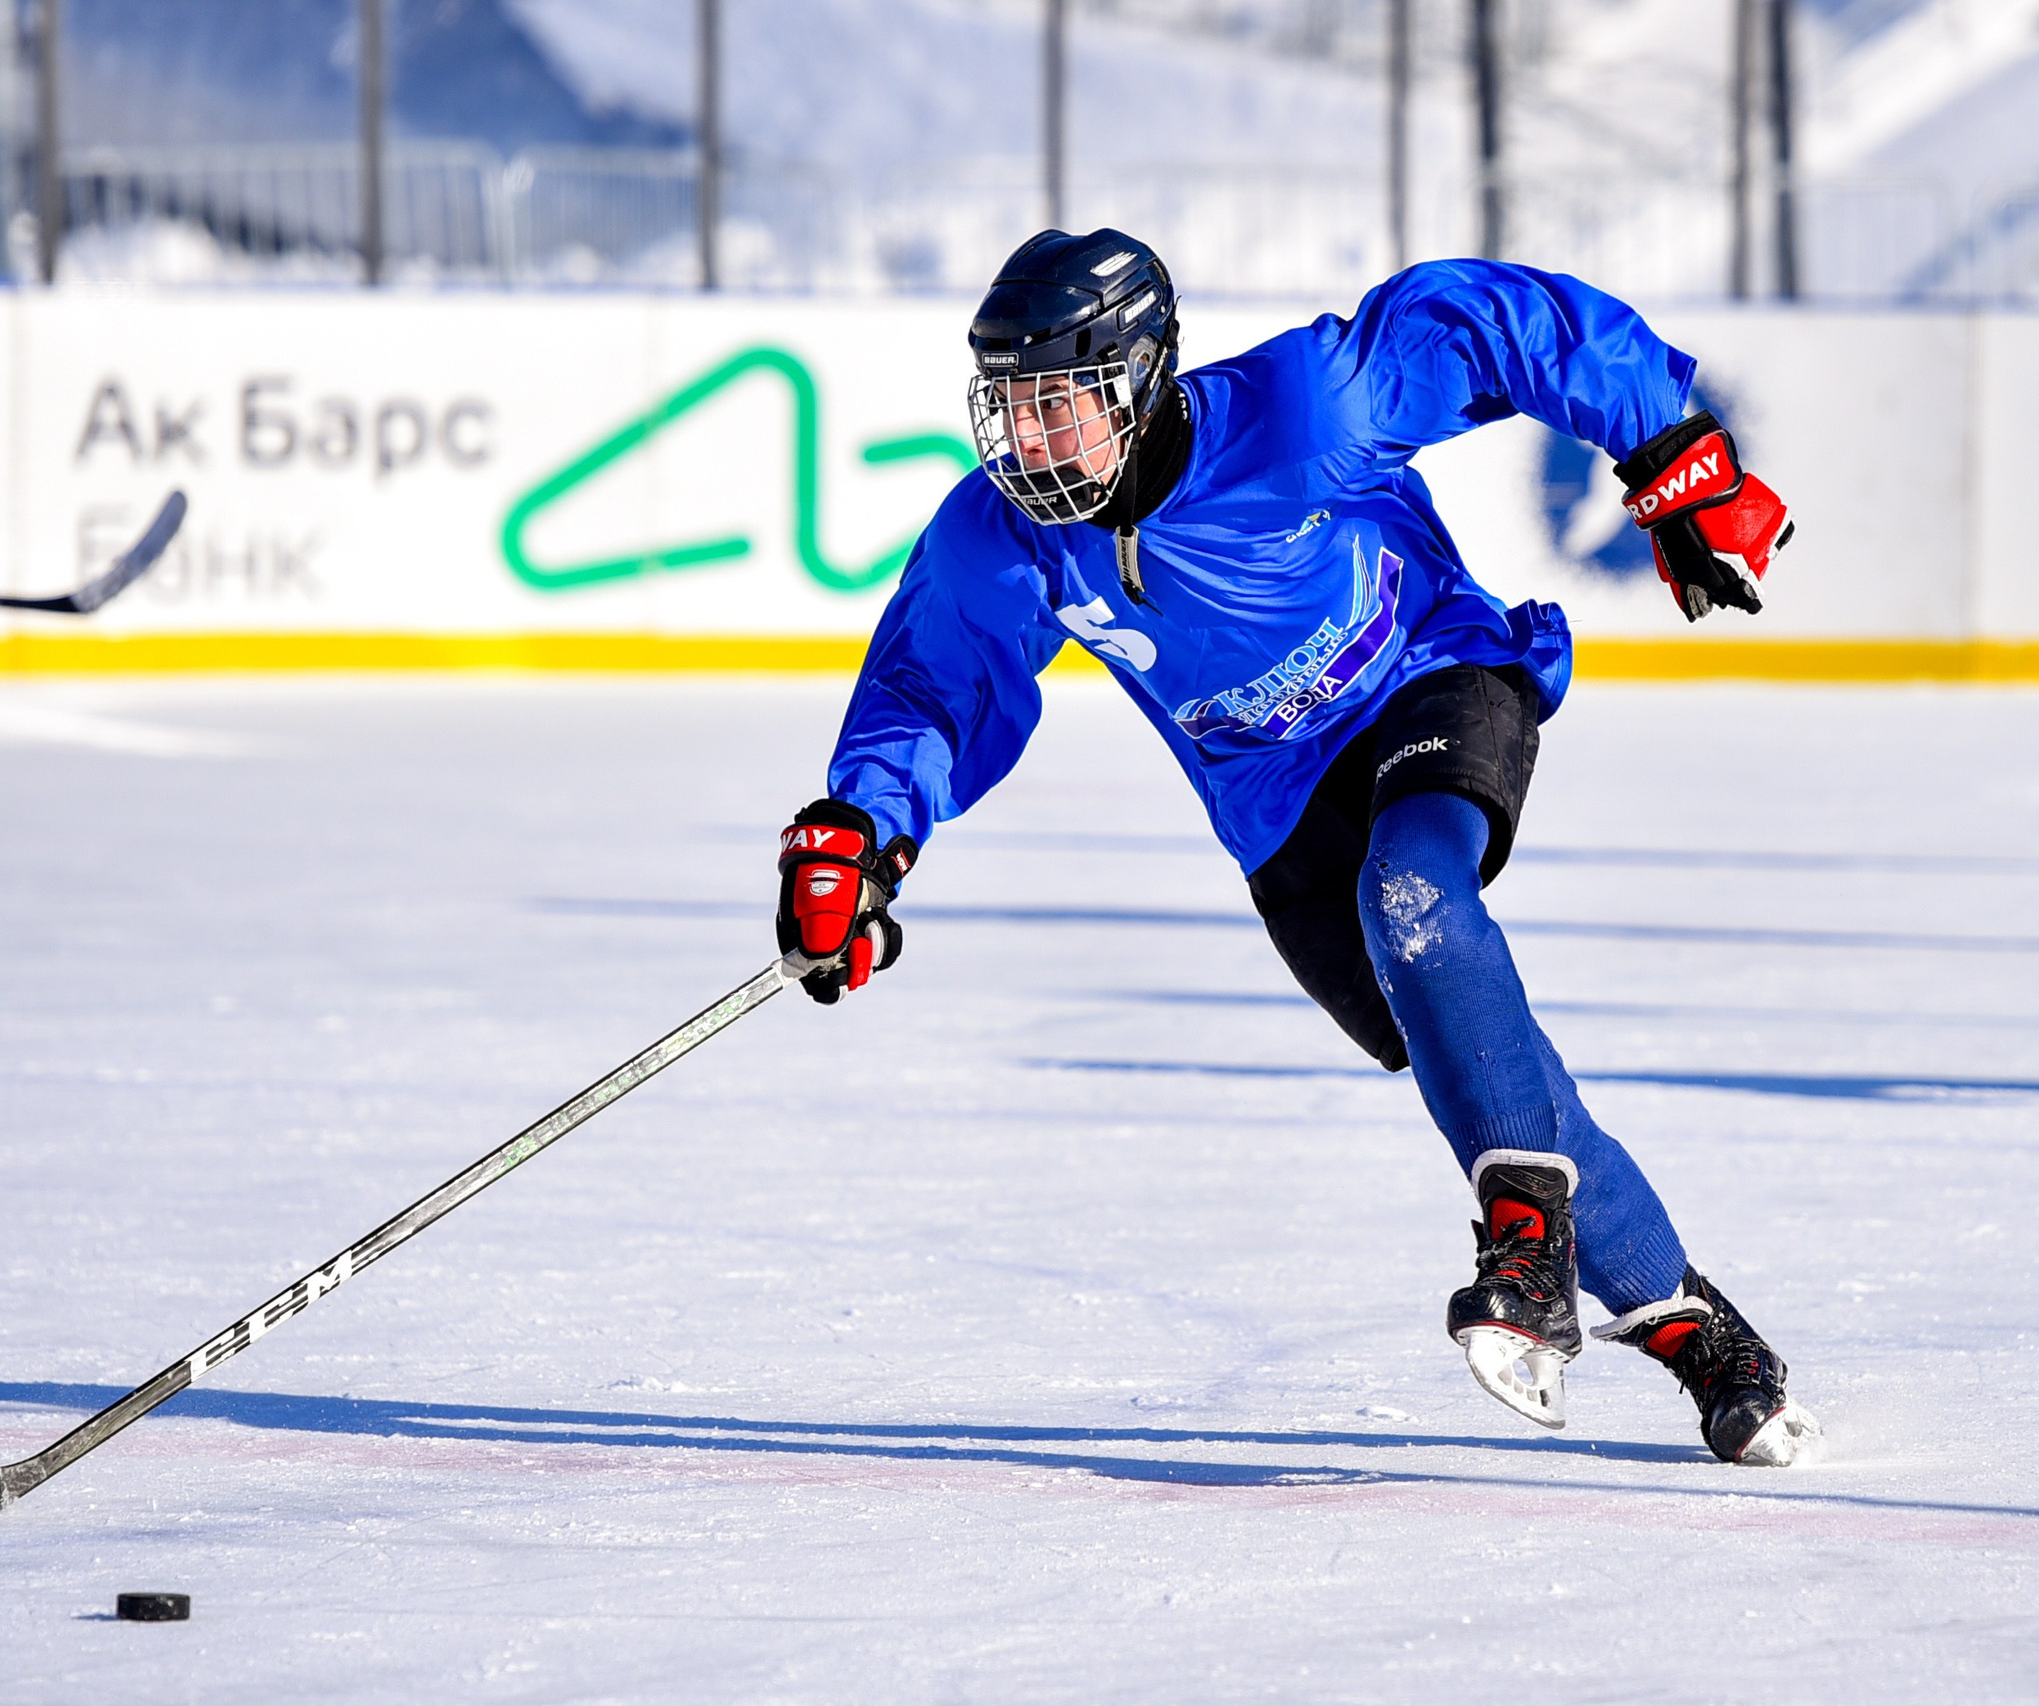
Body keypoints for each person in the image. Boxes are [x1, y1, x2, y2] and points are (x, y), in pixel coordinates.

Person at [772, 229, 1818, 1466]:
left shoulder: (1300, 410)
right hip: (1280, 814)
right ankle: (1700, 1334)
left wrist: (1669, 450)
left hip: (1431, 680)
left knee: (1416, 890)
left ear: (1142, 375)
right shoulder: (999, 537)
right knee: (1488, 1064)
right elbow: (932, 683)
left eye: (1061, 404)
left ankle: (1525, 1253)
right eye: (1009, 408)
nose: (1031, 442)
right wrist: (857, 838)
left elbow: (1492, 321)